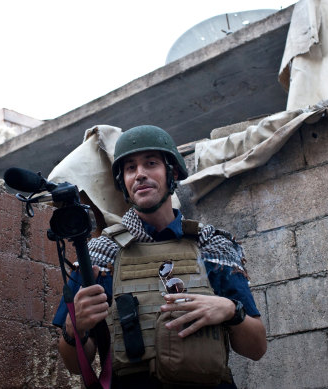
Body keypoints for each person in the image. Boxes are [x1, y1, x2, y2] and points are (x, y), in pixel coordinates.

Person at [53, 125, 267, 388]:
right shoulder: (100, 255)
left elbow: (256, 348)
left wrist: (230, 311)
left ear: (172, 172)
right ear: (123, 182)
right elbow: (74, 365)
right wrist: (75, 330)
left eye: (151, 163)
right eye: (130, 168)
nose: (140, 174)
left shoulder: (212, 247)